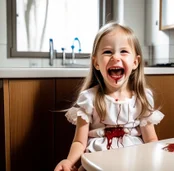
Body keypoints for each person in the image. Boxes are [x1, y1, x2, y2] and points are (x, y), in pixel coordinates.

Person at [54, 21, 164, 171]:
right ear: (96, 63)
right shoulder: (88, 99)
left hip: (134, 162)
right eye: (107, 52)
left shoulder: (142, 98)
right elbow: (80, 141)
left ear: (135, 62)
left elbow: (151, 139)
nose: (115, 57)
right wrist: (69, 161)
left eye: (123, 51)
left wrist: (157, 161)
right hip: (97, 164)